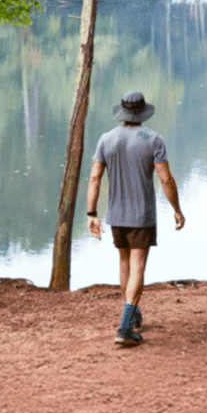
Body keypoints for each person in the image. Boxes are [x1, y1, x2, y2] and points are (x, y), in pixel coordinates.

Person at [86, 89, 185, 348]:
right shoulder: (153, 140)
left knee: (124, 263)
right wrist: (176, 209)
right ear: (142, 114)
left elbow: (95, 178)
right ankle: (125, 328)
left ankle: (134, 314)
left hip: (115, 215)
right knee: (138, 265)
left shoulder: (106, 139)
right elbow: (166, 179)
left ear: (123, 113)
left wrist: (92, 213)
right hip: (142, 215)